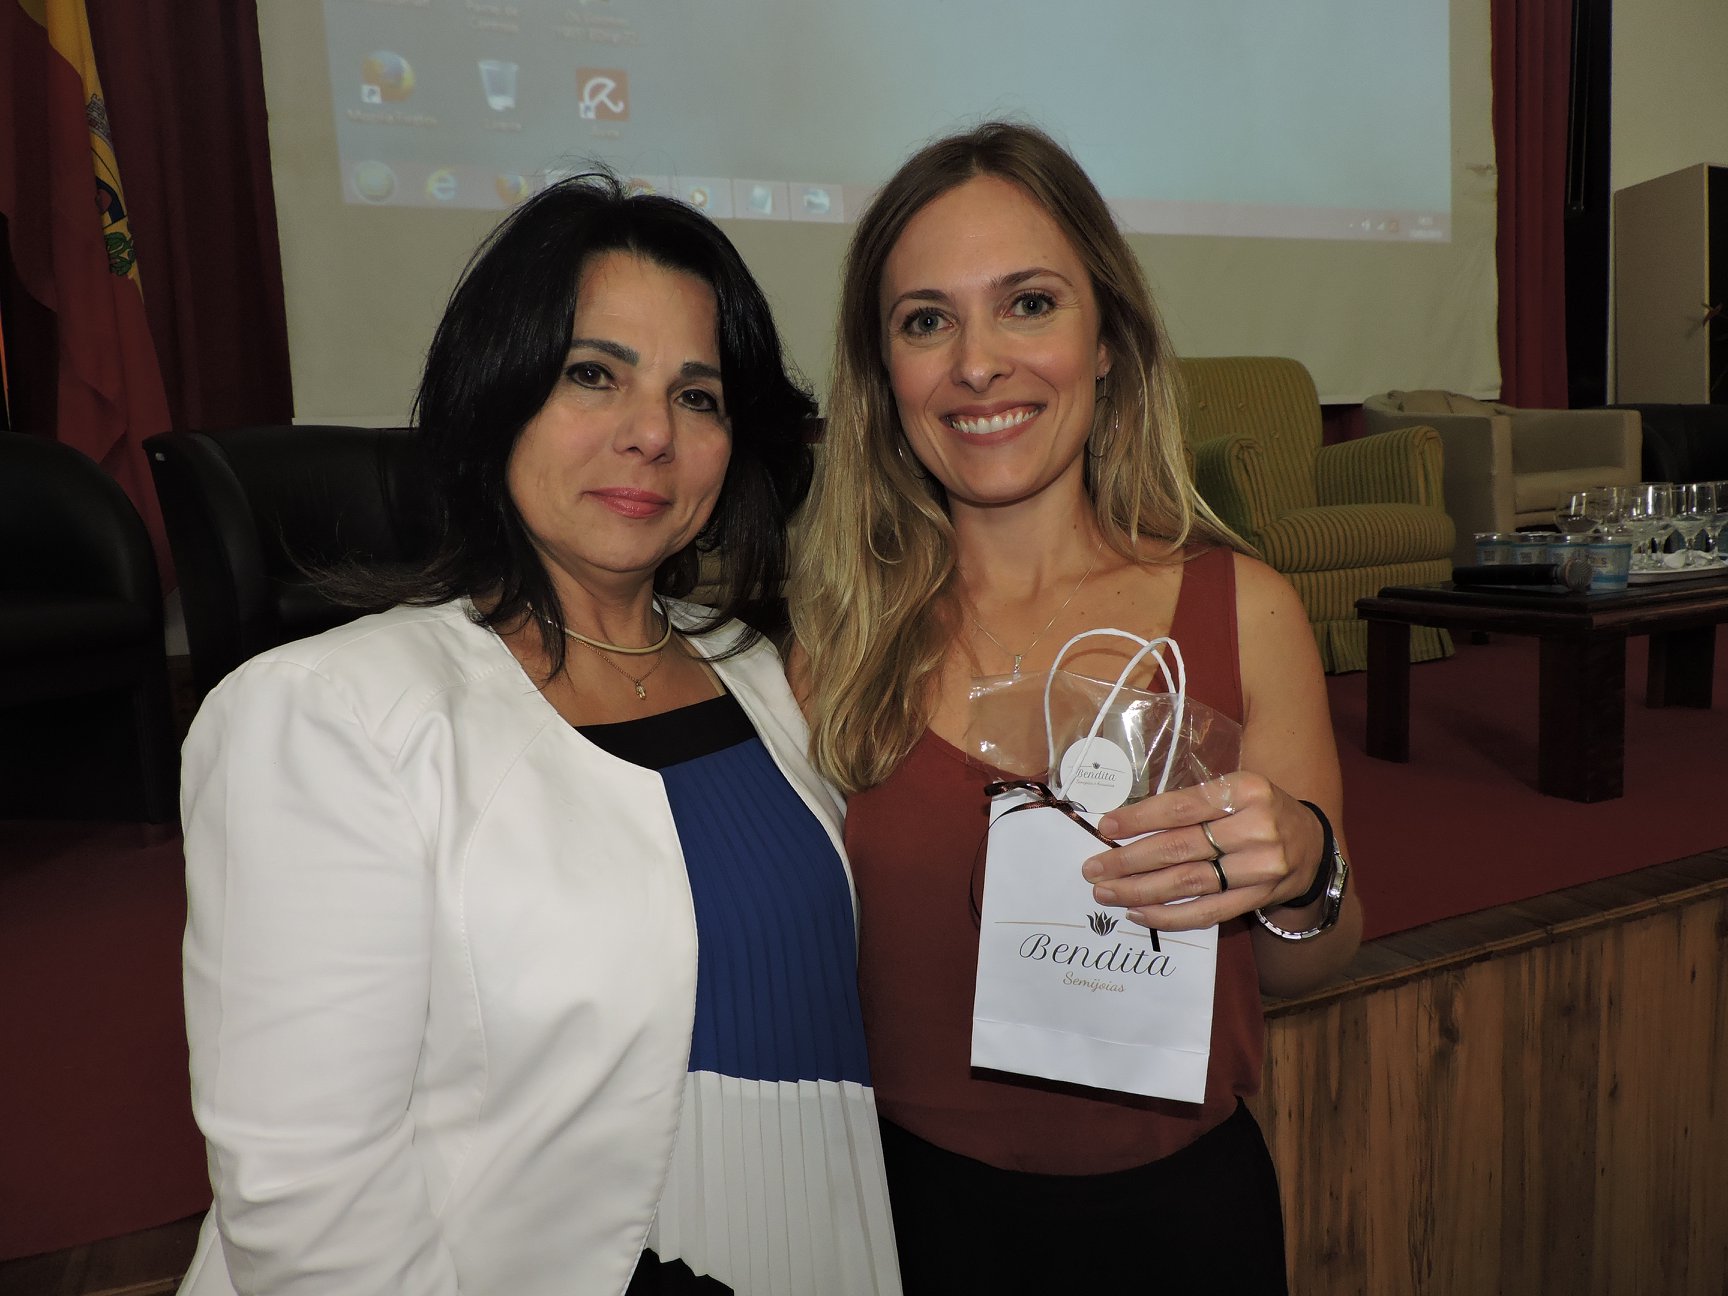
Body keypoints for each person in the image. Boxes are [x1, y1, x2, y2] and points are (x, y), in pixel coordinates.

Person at [177, 174, 901, 1296]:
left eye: (697, 396)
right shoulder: (328, 716)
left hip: (804, 1234)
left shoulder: (762, 673)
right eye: (592, 374)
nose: (651, 434)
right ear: (497, 392)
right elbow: (308, 1200)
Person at [789, 122, 1363, 1293]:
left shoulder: (1244, 609)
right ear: (884, 374)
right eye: (926, 321)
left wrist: (1302, 867)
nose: (977, 364)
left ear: (1107, 342)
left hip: (1178, 1227)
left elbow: (1310, 965)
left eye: (1029, 304)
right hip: (903, 1223)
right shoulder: (829, 648)